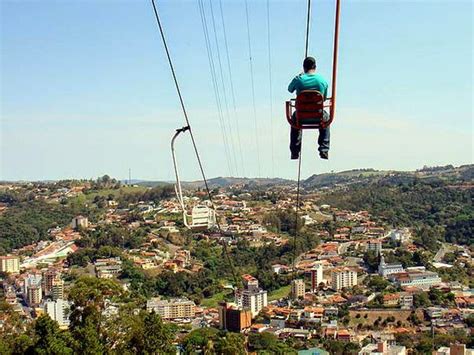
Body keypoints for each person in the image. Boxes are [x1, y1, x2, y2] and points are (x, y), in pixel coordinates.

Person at [288, 56, 330, 160]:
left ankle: (295, 151)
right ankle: (324, 149)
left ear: (304, 67)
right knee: (327, 119)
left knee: (294, 123)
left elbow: (289, 89)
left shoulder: (299, 80)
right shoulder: (322, 81)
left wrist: (298, 77)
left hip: (301, 116)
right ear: (315, 67)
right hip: (318, 115)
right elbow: (323, 99)